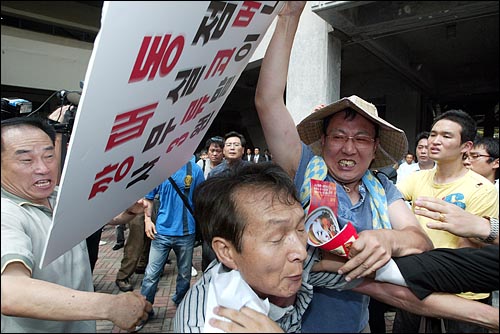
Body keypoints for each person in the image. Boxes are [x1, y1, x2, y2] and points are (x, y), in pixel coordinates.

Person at [254, 2, 433, 332]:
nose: (349, 148)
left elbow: (420, 241)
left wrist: (389, 239)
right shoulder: (304, 169)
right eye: (338, 136)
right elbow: (268, 101)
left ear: (375, 147)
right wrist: (290, 17)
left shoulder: (381, 189)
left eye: (362, 139)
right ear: (322, 142)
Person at [174, 163, 499, 333]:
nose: (299, 250)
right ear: (226, 251)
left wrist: (491, 318)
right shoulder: (210, 319)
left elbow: (395, 291)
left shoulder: (308, 262)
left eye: (300, 228)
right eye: (276, 238)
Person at [1, 116, 152, 333]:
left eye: (49, 156)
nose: (43, 168)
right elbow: (11, 292)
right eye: (26, 160)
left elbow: (104, 218)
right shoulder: (6, 213)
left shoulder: (58, 195)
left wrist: (128, 210)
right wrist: (109, 305)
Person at [395, 110, 499, 333]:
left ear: (466, 147)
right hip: (416, 282)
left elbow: (469, 247)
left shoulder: (482, 189)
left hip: (464, 295)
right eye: (433, 134)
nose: (435, 141)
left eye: (446, 136)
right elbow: (388, 206)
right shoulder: (415, 179)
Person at [138, 156, 204, 330]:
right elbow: (149, 197)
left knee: (184, 275)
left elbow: (201, 198)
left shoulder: (194, 170)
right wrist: (147, 220)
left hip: (186, 232)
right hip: (161, 232)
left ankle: (181, 301)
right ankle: (145, 308)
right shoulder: (160, 168)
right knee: (151, 275)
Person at [202, 131, 252, 271]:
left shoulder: (251, 171)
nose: (232, 148)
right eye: (228, 145)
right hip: (221, 221)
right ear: (223, 150)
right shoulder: (215, 173)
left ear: (242, 150)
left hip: (244, 221)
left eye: (236, 145)